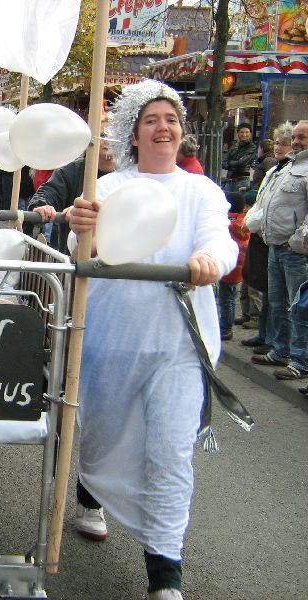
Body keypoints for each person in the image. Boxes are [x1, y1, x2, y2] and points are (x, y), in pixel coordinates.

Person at [67, 80, 237, 600]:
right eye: (151, 120)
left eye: (172, 119)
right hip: (113, 339)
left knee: (169, 453)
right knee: (103, 435)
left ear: (182, 131)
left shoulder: (201, 191)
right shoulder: (109, 186)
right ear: (134, 134)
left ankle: (165, 570)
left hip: (178, 346)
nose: (164, 128)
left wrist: (210, 259)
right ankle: (90, 491)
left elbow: (220, 239)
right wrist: (80, 225)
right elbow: (82, 250)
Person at [246, 119, 308, 380]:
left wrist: (295, 241)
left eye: (301, 137)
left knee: (299, 307)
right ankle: (281, 350)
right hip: (275, 247)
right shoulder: (286, 167)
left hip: (296, 253)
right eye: (294, 137)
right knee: (278, 303)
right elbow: (266, 203)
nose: (295, 142)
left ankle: (301, 360)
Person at [240, 123, 294, 351]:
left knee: (281, 299)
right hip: (268, 238)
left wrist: (251, 223)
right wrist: (250, 220)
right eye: (278, 143)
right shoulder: (275, 170)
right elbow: (263, 201)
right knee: (268, 292)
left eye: (285, 144)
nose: (279, 148)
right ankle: (264, 335)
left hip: (286, 242)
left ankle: (277, 343)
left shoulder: (293, 171)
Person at [29, 118, 115, 255]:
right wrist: (43, 205)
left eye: (112, 135)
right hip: (71, 256)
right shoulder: (71, 170)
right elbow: (48, 192)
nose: (108, 140)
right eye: (102, 135)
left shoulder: (127, 174)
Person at [217, 192, 248, 340]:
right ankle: (227, 325)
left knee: (225, 300)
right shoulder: (244, 222)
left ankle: (225, 328)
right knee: (231, 298)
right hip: (240, 265)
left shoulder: (226, 222)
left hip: (228, 265)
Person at [222, 122, 256, 192]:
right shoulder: (234, 146)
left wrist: (230, 162)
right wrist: (236, 162)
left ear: (250, 134)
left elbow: (242, 162)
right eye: (242, 132)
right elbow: (223, 162)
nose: (244, 135)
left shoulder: (252, 147)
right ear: (238, 133)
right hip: (229, 180)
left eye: (247, 132)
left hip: (243, 181)